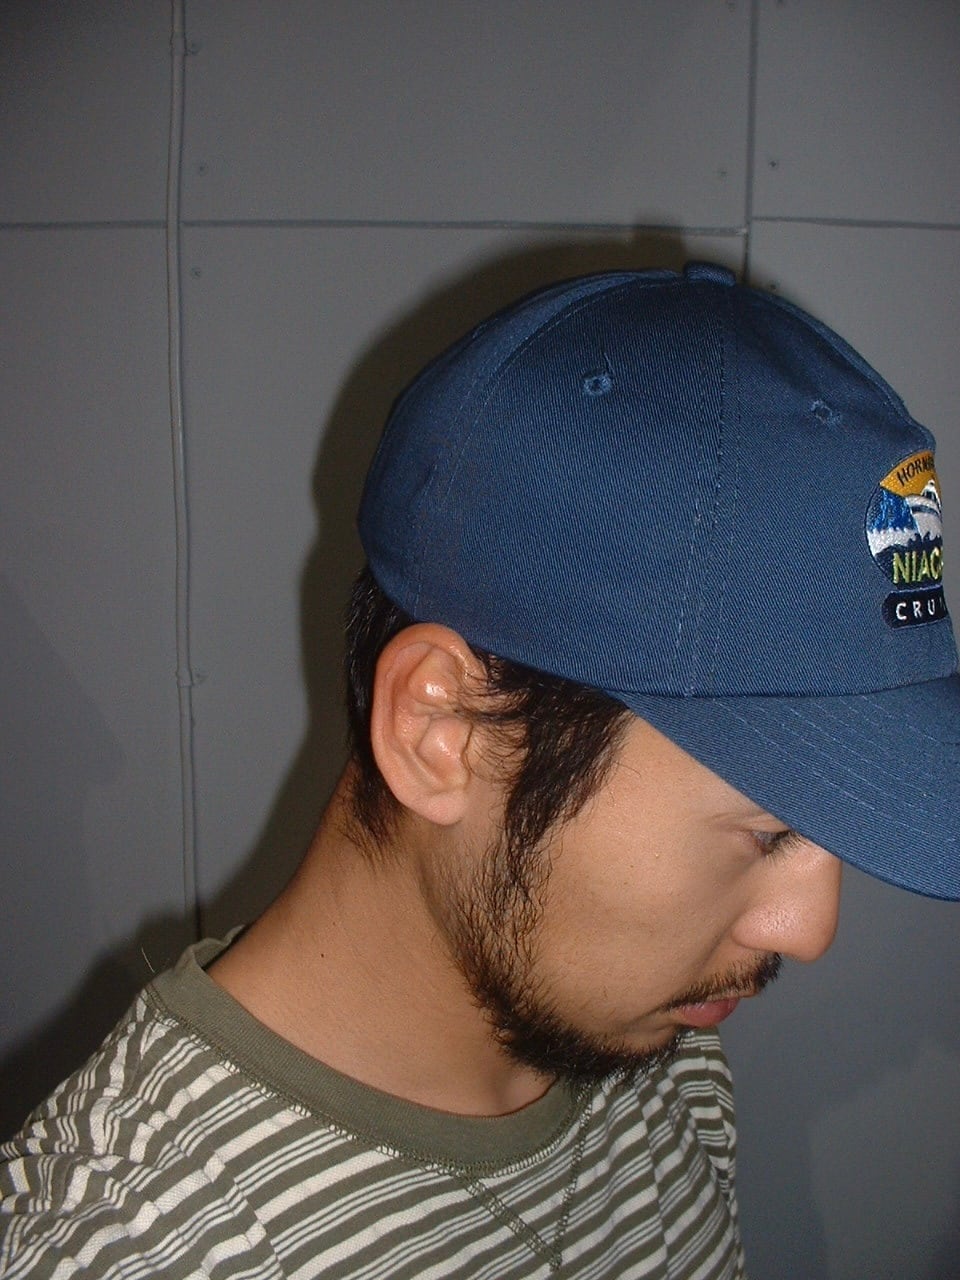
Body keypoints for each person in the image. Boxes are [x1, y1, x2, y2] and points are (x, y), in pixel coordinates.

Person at [2, 262, 958, 1278]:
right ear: (444, 729)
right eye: (768, 832)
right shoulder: (138, 1248)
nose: (809, 930)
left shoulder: (648, 1037)